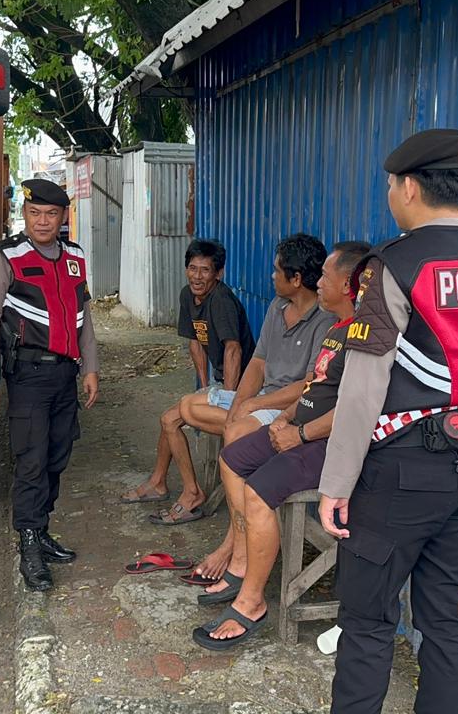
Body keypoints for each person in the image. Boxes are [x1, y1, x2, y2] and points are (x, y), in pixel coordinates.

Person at [318, 129, 458, 713]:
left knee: (367, 622)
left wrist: (336, 486)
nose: (390, 193)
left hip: (405, 472)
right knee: (446, 620)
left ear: (411, 188)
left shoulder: (393, 267)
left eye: (392, 184)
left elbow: (364, 385)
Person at [191, 240, 371, 649]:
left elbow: (353, 409)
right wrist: (288, 418)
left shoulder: (363, 336)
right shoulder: (337, 327)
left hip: (328, 442)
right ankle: (241, 559)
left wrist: (299, 433)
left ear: (349, 285)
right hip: (300, 427)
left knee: (257, 493)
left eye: (325, 276)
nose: (317, 281)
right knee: (233, 457)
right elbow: (313, 387)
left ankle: (252, 601)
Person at [182, 234, 337, 577]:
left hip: (292, 405)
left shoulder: (325, 321)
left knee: (235, 435)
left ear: (296, 279)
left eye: (277, 270)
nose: (271, 276)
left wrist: (255, 403)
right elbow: (258, 364)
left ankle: (235, 545)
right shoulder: (277, 307)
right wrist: (241, 403)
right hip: (264, 401)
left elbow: (308, 385)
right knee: (195, 413)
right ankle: (240, 539)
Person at [0, 179, 99, 592]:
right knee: (31, 460)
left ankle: (42, 528)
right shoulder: (5, 256)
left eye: (51, 214)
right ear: (24, 214)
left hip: (65, 375)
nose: (43, 221)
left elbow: (85, 318)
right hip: (27, 376)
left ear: (63, 217)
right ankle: (28, 543)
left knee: (58, 456)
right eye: (35, 213)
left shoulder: (76, 257)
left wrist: (91, 368)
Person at [120, 239, 255, 510]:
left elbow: (233, 351)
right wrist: (204, 387)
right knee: (170, 417)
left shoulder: (221, 301)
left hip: (246, 387)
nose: (197, 276)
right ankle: (158, 482)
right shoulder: (187, 295)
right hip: (220, 381)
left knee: (170, 419)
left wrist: (227, 400)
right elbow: (196, 341)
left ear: (219, 274)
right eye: (192, 268)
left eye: (205, 270)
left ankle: (191, 492)